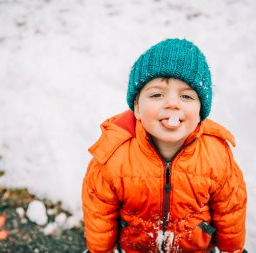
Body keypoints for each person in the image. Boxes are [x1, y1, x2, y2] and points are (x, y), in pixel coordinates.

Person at [82, 38, 247, 253]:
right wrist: (100, 251)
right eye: (157, 94)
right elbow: (99, 212)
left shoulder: (216, 155)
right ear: (137, 109)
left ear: (200, 113)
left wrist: (231, 249)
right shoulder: (113, 155)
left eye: (186, 96)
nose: (172, 103)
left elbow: (230, 210)